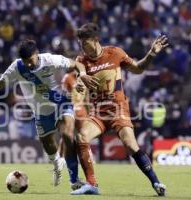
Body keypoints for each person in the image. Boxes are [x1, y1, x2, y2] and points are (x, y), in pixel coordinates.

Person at [0, 39, 99, 190]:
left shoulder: (50, 59)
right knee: (48, 145)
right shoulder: (17, 67)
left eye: (30, 60)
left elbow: (77, 64)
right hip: (40, 111)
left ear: (36, 54)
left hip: (61, 104)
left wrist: (82, 75)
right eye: (25, 62)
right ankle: (56, 162)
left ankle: (74, 180)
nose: (29, 65)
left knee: (67, 136)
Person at [70, 23, 168, 196]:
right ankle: (92, 184)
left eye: (85, 43)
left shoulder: (115, 53)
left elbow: (138, 69)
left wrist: (151, 54)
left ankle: (156, 182)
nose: (82, 47)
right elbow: (81, 77)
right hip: (97, 112)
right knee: (81, 137)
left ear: (96, 40)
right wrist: (79, 85)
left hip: (118, 109)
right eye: (80, 44)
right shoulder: (81, 60)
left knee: (130, 145)